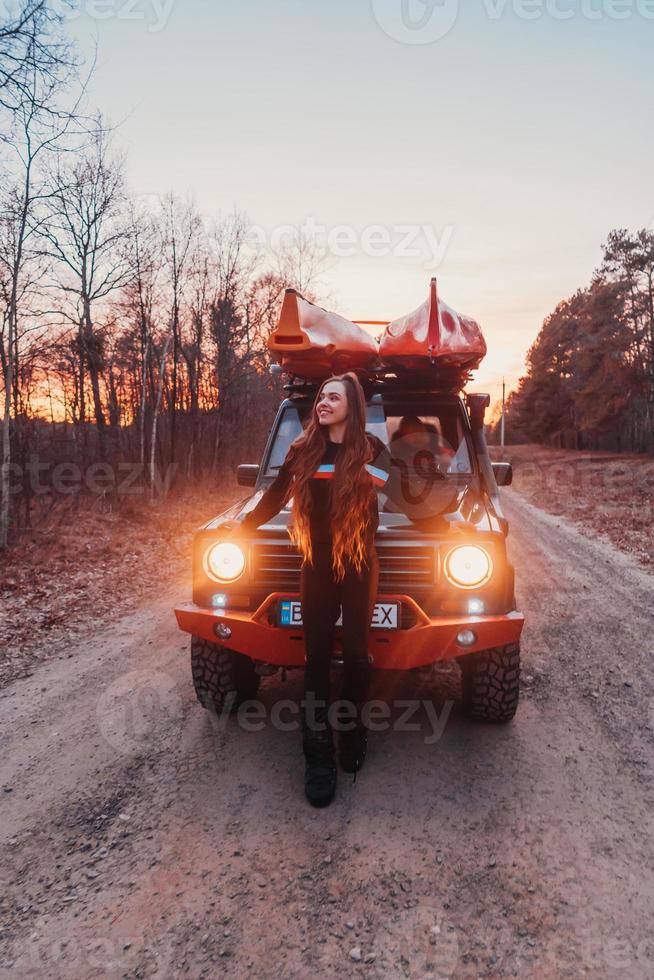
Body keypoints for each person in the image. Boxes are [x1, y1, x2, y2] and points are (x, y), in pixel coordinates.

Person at [223, 372, 453, 807]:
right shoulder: (302, 452)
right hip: (317, 567)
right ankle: (318, 759)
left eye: (333, 397)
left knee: (355, 656)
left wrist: (445, 525)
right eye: (321, 397)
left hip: (361, 566)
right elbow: (272, 500)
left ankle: (353, 735)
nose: (323, 403)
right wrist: (239, 528)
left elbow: (405, 498)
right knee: (315, 660)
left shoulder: (371, 453)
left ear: (353, 406)